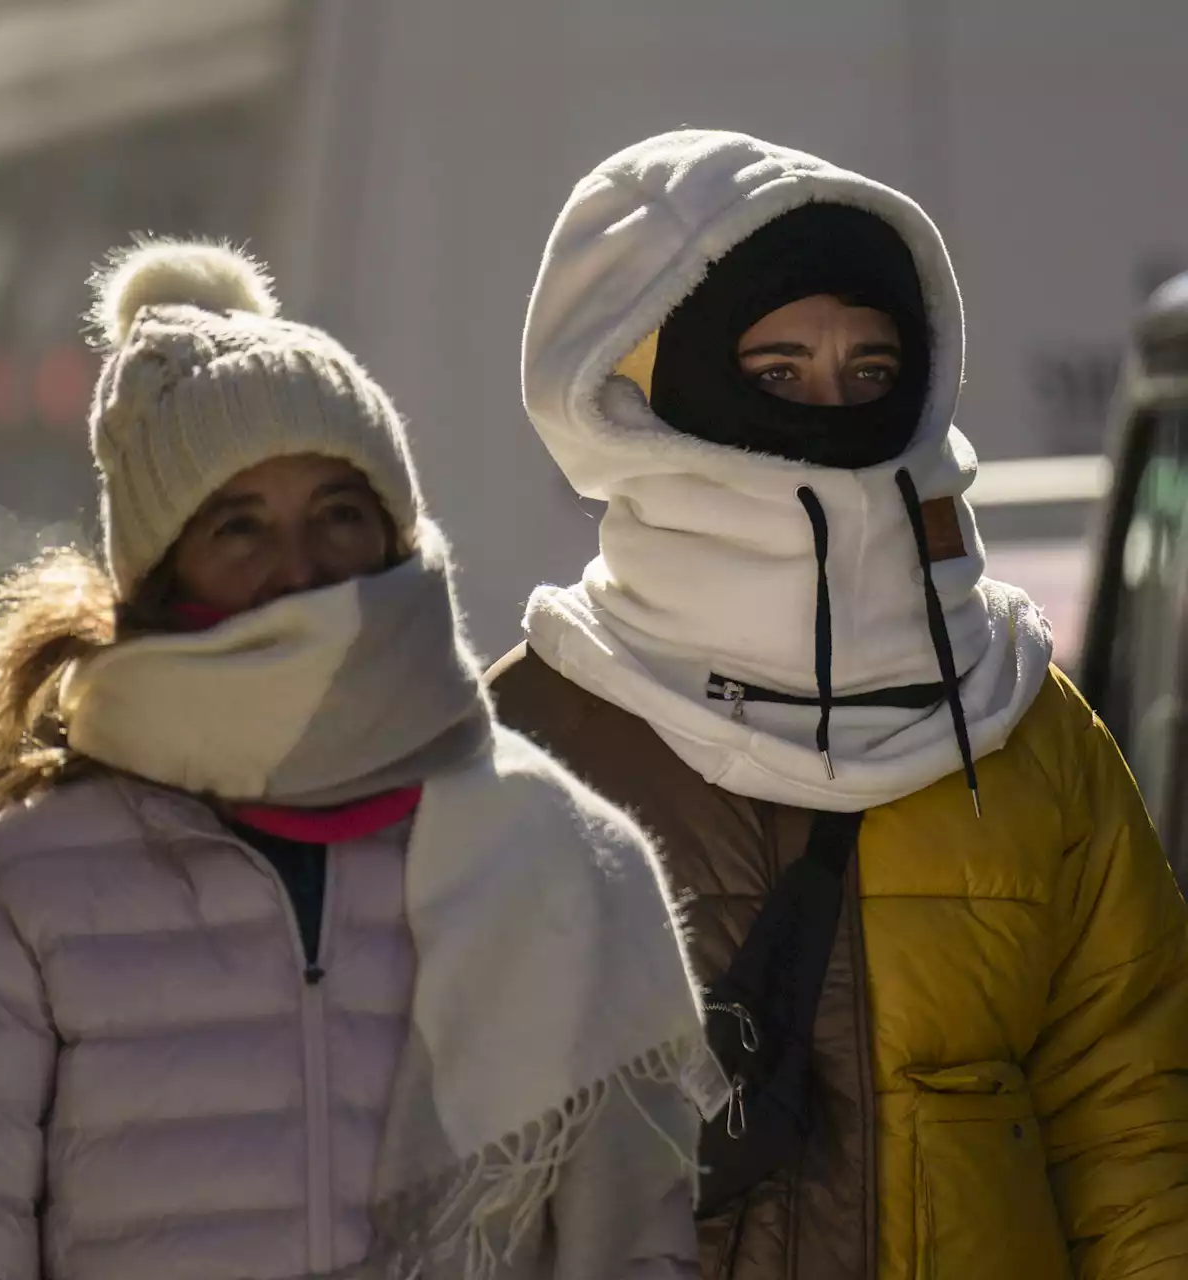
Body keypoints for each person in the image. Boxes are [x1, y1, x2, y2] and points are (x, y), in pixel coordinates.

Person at [0, 239, 709, 1280]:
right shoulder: (24, 877)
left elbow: (636, 1245)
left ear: (395, 534)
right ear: (159, 571)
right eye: (237, 525)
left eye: (338, 513)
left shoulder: (560, 856)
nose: (299, 566)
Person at [489, 129, 1188, 1280]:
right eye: (776, 375)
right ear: (647, 390)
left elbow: (1134, 1119)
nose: (832, 406)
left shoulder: (1025, 727)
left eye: (870, 373)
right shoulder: (532, 739)